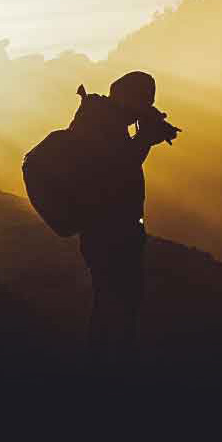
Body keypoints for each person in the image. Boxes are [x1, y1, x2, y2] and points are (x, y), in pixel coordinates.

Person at [69, 71, 180, 372]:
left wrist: (144, 136)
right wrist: (144, 139)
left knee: (112, 302)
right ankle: (109, 374)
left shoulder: (107, 122)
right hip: (108, 232)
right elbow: (112, 172)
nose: (148, 106)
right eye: (145, 99)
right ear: (126, 97)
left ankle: (106, 368)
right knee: (116, 303)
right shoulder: (98, 124)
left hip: (116, 229)